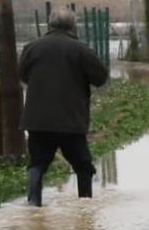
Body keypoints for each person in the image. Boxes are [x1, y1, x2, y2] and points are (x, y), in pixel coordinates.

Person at [19, 11, 110, 206]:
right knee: (83, 166)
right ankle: (85, 208)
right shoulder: (80, 49)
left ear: (49, 25)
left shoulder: (32, 48)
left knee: (37, 164)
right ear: (72, 26)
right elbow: (101, 77)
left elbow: (23, 75)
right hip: (70, 121)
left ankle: (33, 206)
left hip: (38, 120)